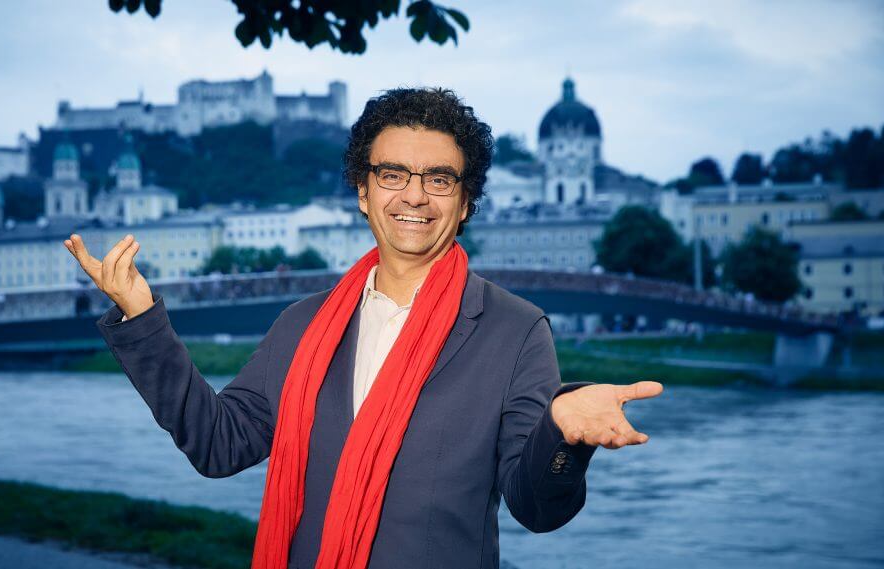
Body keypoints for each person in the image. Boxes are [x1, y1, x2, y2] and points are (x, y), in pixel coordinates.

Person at [64, 87, 663, 569]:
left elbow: (536, 508)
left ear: (465, 202)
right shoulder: (302, 325)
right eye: (393, 174)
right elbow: (218, 445)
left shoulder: (515, 330)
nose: (415, 196)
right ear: (363, 191)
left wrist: (562, 431)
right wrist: (143, 321)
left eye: (440, 179)